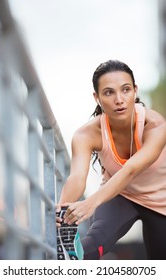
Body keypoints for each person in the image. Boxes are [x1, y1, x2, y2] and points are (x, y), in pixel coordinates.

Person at [56, 59, 166, 260]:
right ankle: (70, 262)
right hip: (120, 195)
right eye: (109, 92)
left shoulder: (156, 125)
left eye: (125, 90)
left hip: (162, 201)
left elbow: (131, 169)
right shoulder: (86, 134)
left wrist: (90, 203)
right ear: (96, 97)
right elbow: (77, 177)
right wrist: (63, 211)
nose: (119, 99)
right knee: (92, 244)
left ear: (135, 91)